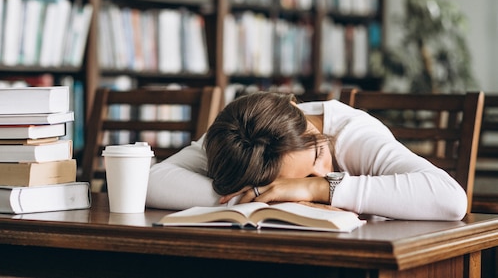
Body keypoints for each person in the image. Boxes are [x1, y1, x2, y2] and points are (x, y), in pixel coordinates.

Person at [145, 91, 468, 221]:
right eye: (294, 179)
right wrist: (256, 198)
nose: (322, 169)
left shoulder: (351, 132)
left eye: (317, 155)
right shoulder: (239, 138)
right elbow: (149, 180)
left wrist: (318, 188)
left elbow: (451, 199)